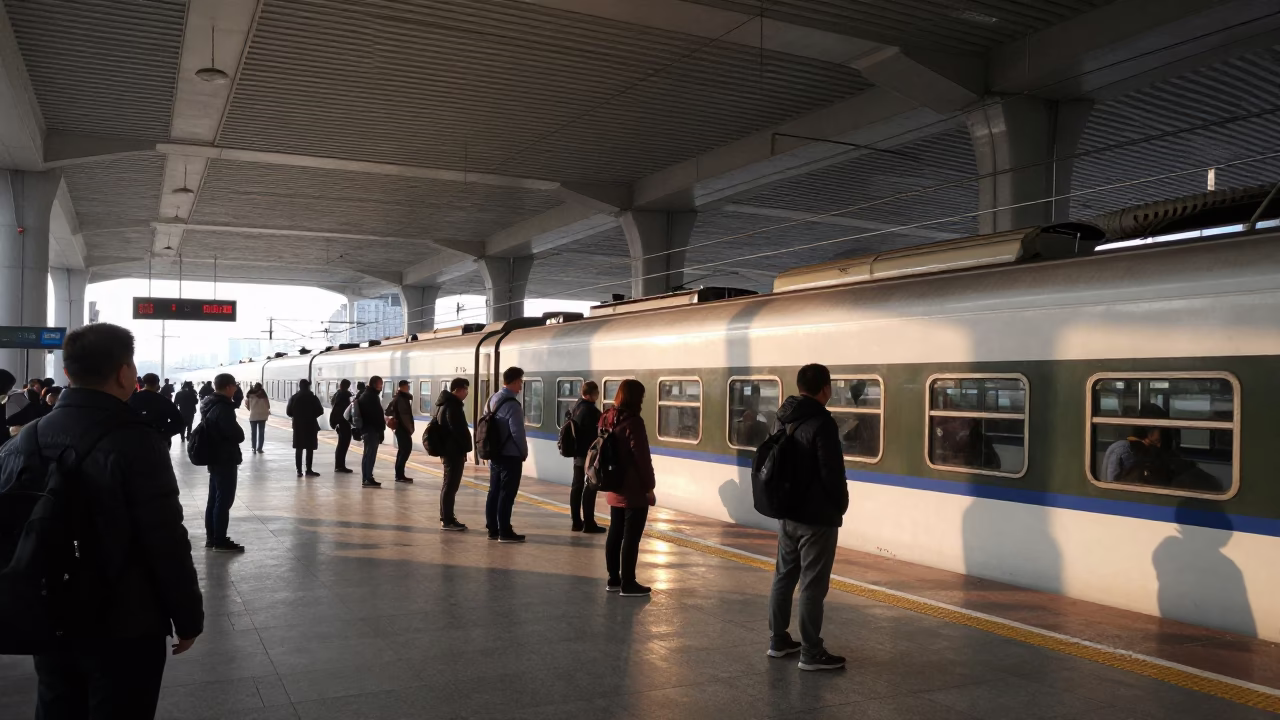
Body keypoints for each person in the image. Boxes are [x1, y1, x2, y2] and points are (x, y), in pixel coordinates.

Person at [0, 323, 203, 718]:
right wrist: (188, 614)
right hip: (126, 619)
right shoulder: (136, 442)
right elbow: (164, 538)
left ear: (68, 372)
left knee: (57, 704)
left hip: (48, 610)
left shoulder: (24, 440)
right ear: (125, 372)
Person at [766, 363, 849, 671]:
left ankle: (778, 640)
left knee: (784, 577)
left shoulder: (781, 417)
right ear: (825, 388)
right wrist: (840, 505)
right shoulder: (822, 423)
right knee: (813, 586)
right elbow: (832, 472)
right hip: (816, 518)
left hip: (786, 513)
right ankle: (811, 652)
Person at [599, 379, 656, 596]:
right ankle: (629, 583)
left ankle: (614, 579)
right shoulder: (634, 422)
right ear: (636, 397)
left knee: (615, 532)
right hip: (633, 488)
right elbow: (642, 458)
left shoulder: (606, 417)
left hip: (613, 483)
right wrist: (649, 486)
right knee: (631, 537)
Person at [201, 373, 245, 553]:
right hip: (224, 458)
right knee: (223, 500)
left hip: (214, 457)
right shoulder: (224, 407)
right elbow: (236, 435)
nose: (235, 388)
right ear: (228, 387)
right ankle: (219, 540)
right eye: (234, 385)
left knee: (214, 499)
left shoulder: (209, 403)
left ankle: (212, 538)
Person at [485, 367, 528, 542]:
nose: (521, 385)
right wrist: (523, 453)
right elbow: (517, 433)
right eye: (521, 382)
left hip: (494, 453)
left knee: (494, 491)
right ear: (516, 381)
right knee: (507, 494)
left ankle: (492, 528)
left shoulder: (492, 399)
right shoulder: (513, 405)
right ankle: (505, 531)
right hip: (510, 456)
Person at [432, 377, 472, 530]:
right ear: (459, 390)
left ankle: (447, 517)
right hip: (452, 452)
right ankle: (447, 520)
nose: (467, 393)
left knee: (449, 485)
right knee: (450, 485)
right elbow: (458, 430)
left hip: (450, 450)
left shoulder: (446, 404)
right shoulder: (452, 406)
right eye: (466, 389)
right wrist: (466, 447)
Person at [568, 381, 605, 533]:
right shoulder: (590, 411)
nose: (598, 396)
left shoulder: (575, 406)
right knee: (591, 487)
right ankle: (589, 523)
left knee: (577, 486)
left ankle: (576, 522)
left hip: (577, 454)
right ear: (590, 394)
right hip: (588, 455)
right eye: (596, 394)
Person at [128, 372, 184, 448]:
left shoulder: (132, 399)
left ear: (144, 382)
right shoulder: (164, 401)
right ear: (157, 384)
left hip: (135, 443)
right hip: (159, 445)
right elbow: (179, 422)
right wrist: (164, 433)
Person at [287, 379, 323, 477]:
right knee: (309, 448)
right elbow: (320, 411)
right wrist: (311, 415)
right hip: (311, 425)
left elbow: (288, 412)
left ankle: (299, 471)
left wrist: (297, 416)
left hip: (298, 426)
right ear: (308, 386)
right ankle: (309, 470)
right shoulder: (313, 397)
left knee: (299, 449)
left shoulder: (294, 398)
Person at [356, 376, 385, 488]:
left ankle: (367, 477)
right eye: (380, 384)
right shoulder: (370, 397)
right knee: (370, 455)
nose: (381, 386)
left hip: (369, 429)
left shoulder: (367, 395)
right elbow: (375, 416)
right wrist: (380, 430)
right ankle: (367, 478)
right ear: (373, 384)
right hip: (371, 430)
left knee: (368, 454)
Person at [386, 379, 416, 483]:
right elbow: (405, 416)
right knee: (405, 450)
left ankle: (399, 474)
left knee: (402, 451)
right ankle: (399, 475)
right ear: (402, 387)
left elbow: (388, 410)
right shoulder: (401, 399)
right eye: (407, 386)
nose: (408, 387)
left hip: (401, 428)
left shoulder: (399, 398)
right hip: (403, 428)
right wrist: (410, 428)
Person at [329, 379, 354, 473]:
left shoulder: (337, 394)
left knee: (341, 444)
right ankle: (340, 466)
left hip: (339, 422)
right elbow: (348, 410)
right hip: (343, 422)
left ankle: (339, 465)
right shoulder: (345, 396)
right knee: (343, 444)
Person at [244, 382, 270, 454]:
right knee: (261, 433)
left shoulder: (250, 395)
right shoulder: (263, 395)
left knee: (253, 433)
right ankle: (260, 448)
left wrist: (253, 409)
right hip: (262, 416)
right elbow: (268, 406)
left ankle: (253, 448)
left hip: (253, 416)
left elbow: (248, 406)